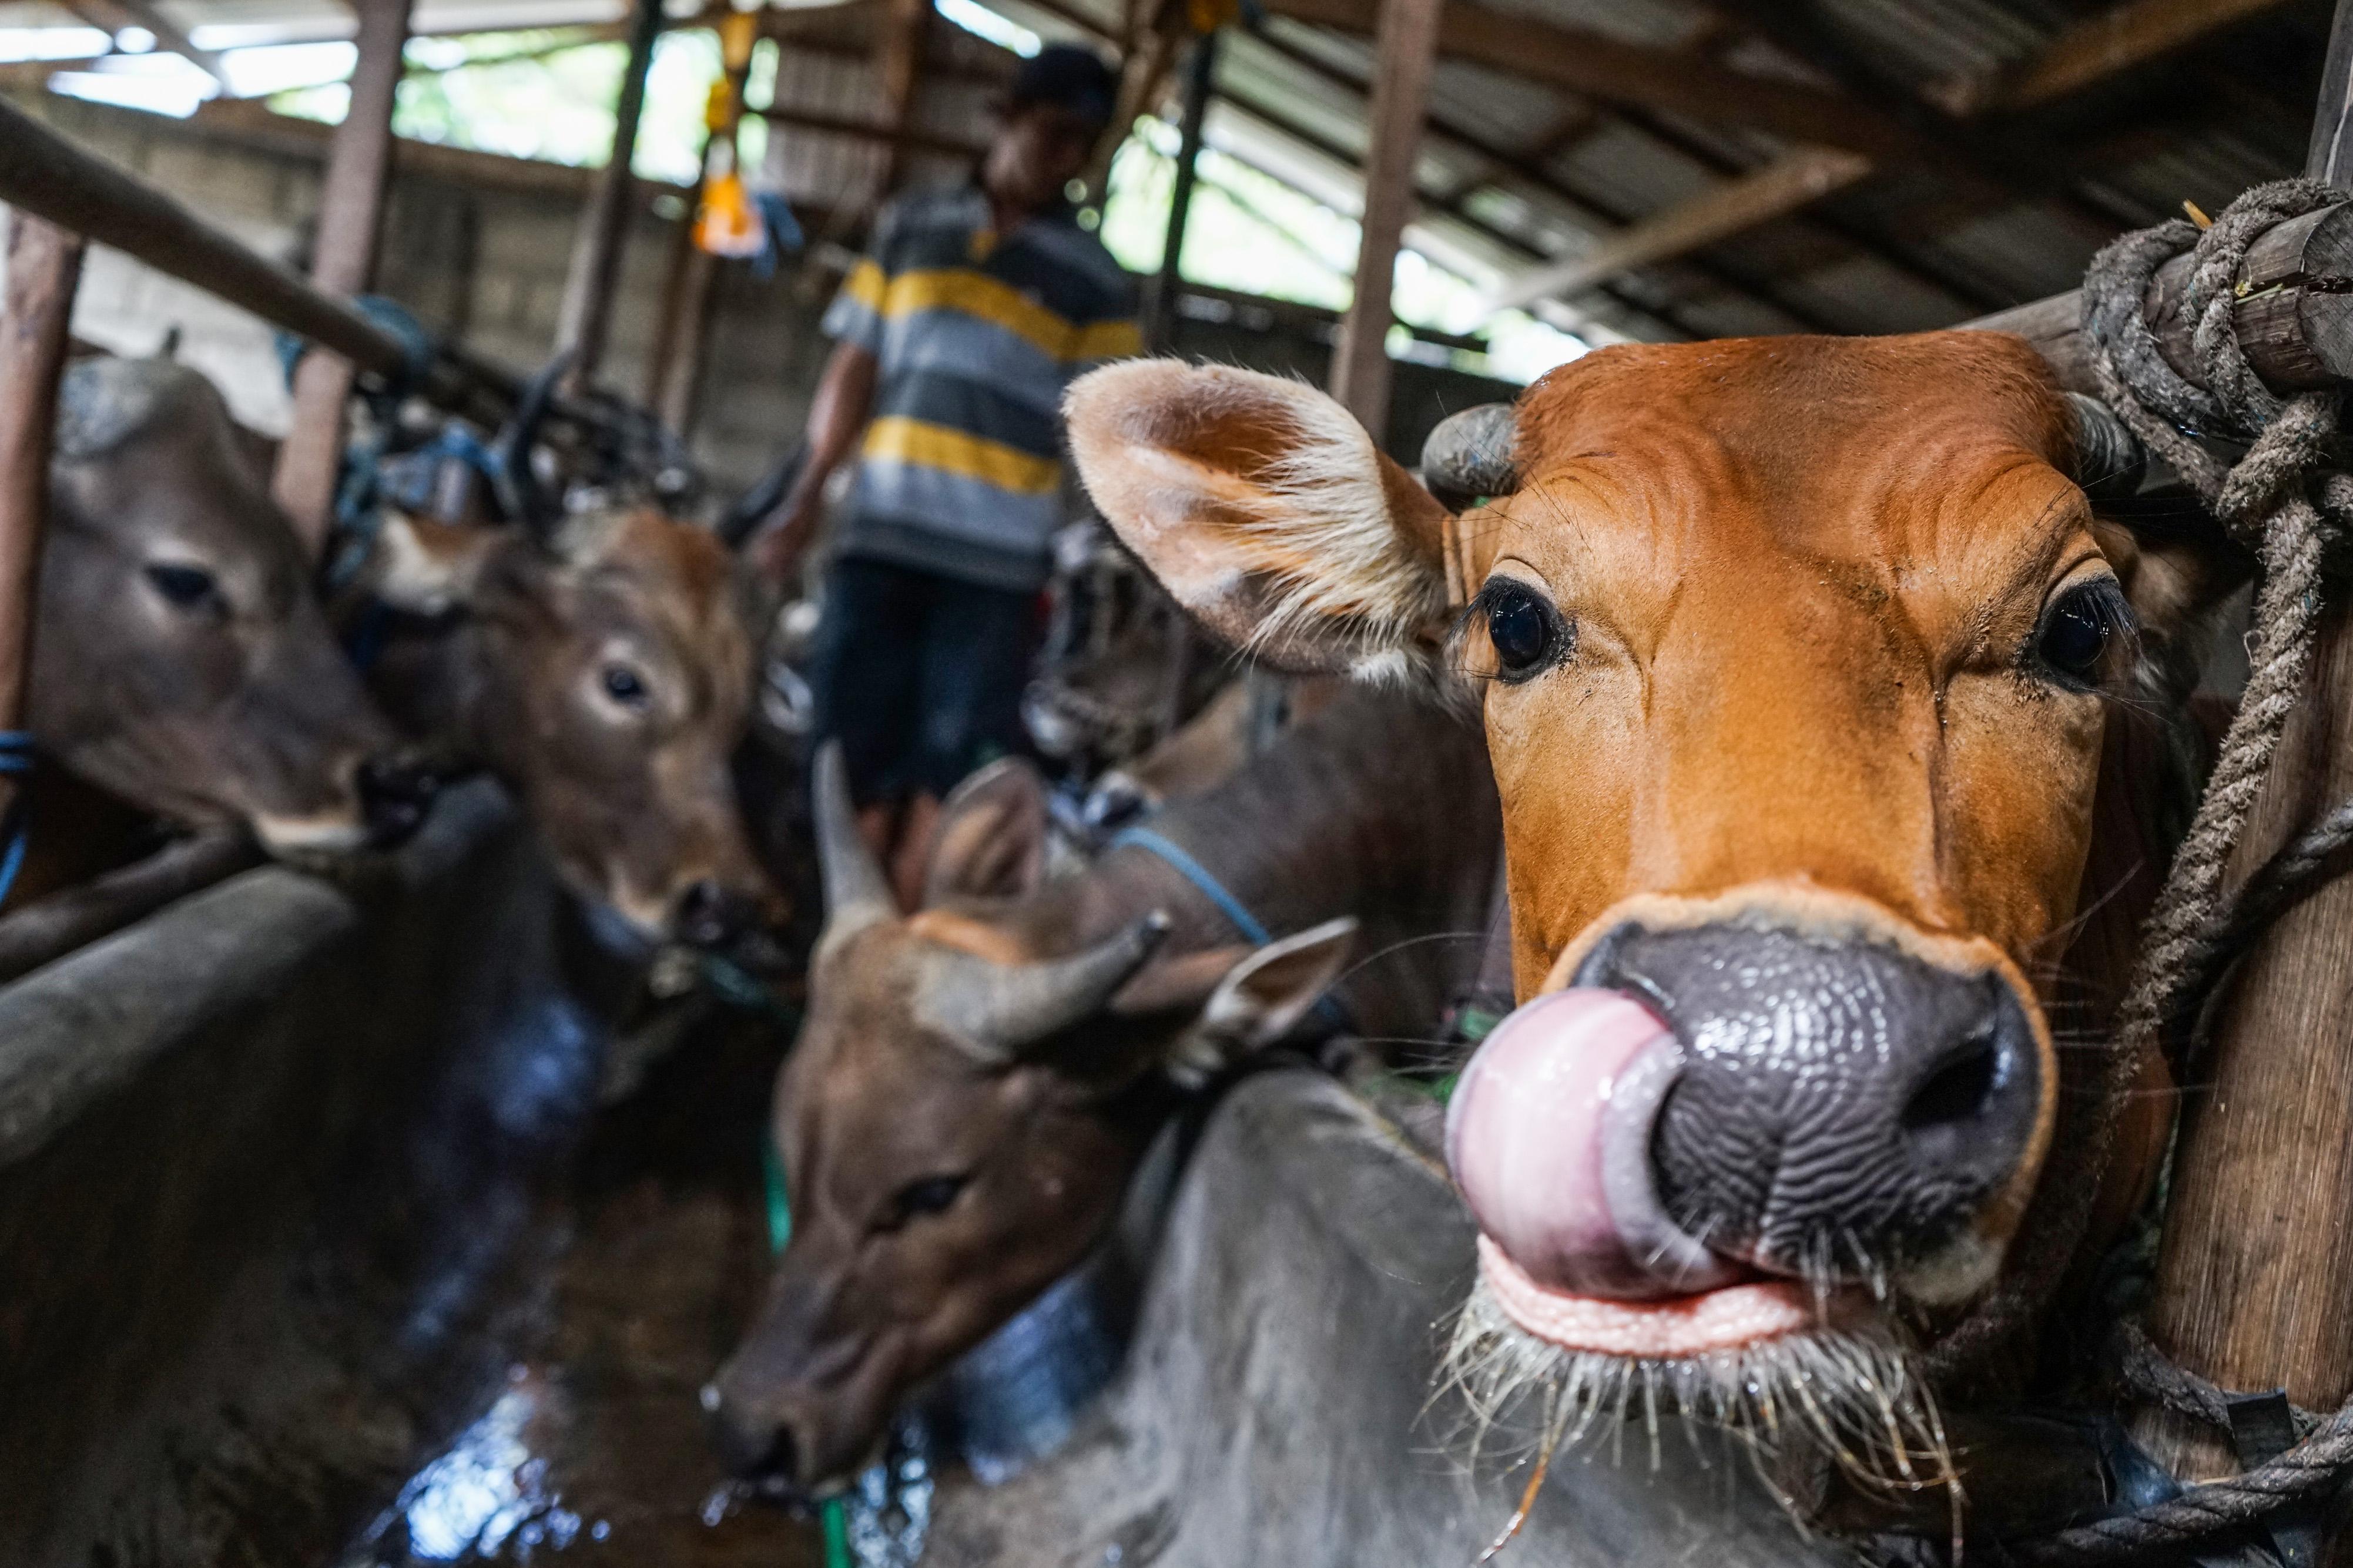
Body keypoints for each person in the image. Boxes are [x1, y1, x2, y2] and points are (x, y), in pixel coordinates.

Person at [751, 43, 1139, 910]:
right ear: (1007, 116)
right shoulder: (911, 227)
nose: (1065, 157)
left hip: (996, 569)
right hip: (880, 535)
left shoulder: (1097, 281)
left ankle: (896, 942)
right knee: (847, 744)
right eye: (1052, 131)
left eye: (1083, 143)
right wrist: (805, 498)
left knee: (952, 758)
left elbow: (1104, 430)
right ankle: (830, 929)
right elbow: (852, 370)